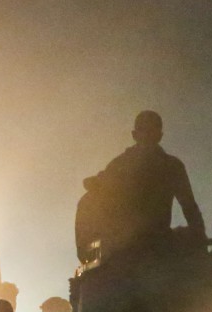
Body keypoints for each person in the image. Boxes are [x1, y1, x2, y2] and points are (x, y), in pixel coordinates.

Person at [78, 110, 205, 261]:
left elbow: (189, 207)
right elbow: (97, 185)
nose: (147, 135)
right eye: (143, 130)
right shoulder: (120, 165)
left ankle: (93, 254)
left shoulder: (172, 166)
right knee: (87, 199)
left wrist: (200, 240)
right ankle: (91, 255)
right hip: (122, 241)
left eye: (151, 130)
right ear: (135, 134)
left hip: (156, 239)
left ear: (159, 135)